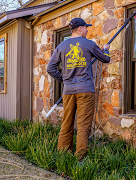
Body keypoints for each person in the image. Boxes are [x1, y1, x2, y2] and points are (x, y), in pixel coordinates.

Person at [47, 18, 110, 160]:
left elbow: (50, 68)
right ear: (80, 28)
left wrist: (64, 80)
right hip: (86, 90)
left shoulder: (62, 46)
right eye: (86, 28)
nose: (87, 30)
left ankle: (63, 155)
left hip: (68, 91)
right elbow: (105, 59)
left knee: (67, 122)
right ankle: (80, 158)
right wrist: (105, 49)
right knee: (83, 125)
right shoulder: (88, 44)